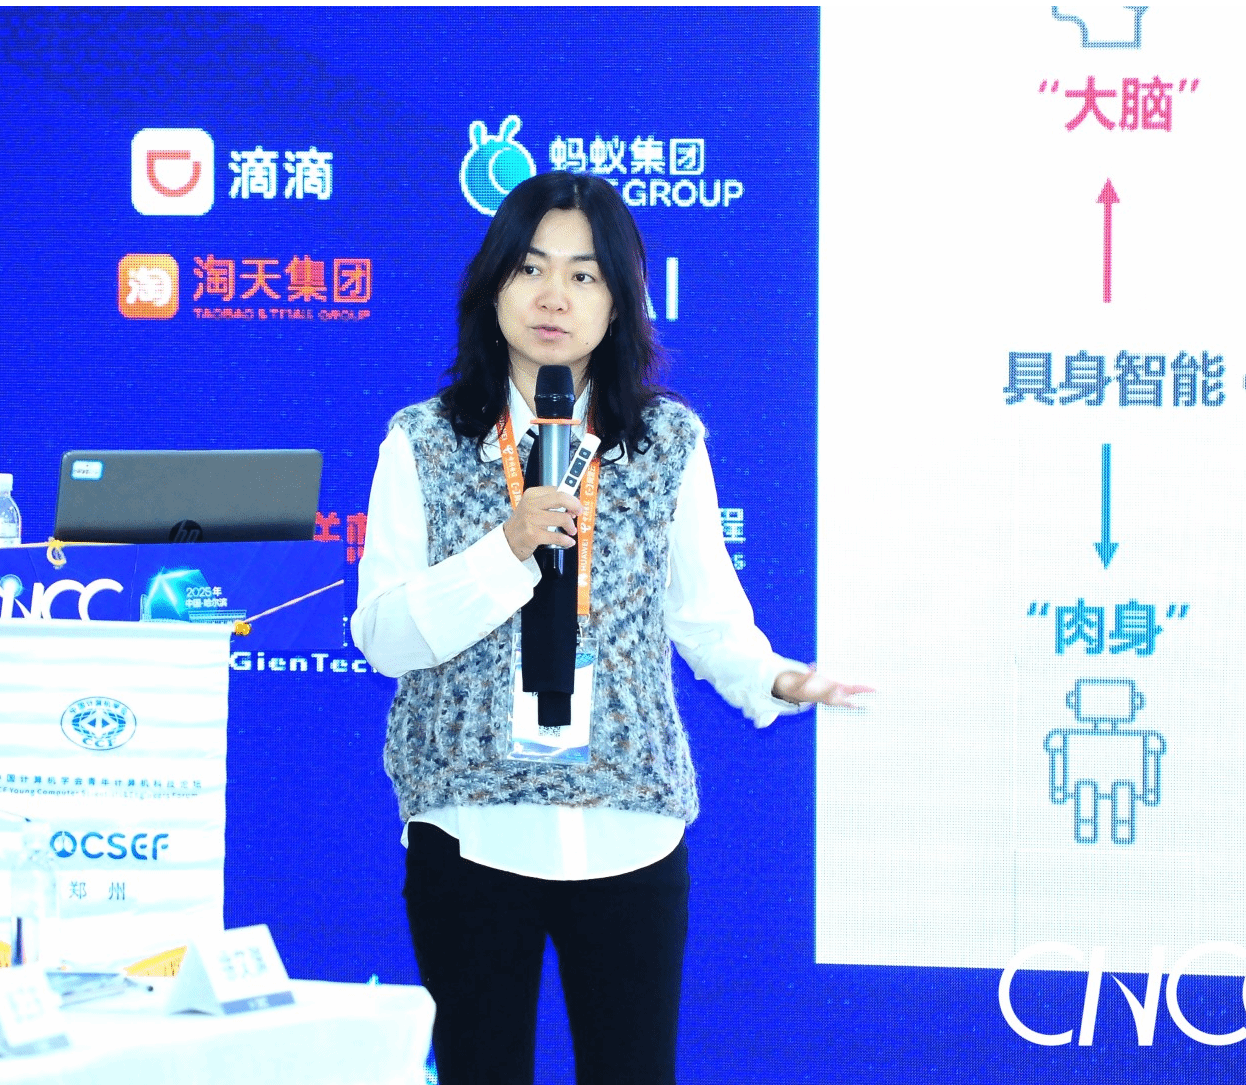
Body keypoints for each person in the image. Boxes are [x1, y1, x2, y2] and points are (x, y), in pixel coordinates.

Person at [350, 171, 872, 1085]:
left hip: (630, 824)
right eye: (531, 268)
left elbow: (707, 614)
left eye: (584, 274)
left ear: (621, 300)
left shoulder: (666, 441)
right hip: (470, 825)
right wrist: (506, 549)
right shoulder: (423, 440)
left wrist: (779, 678)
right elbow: (385, 635)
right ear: (493, 286)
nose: (554, 295)